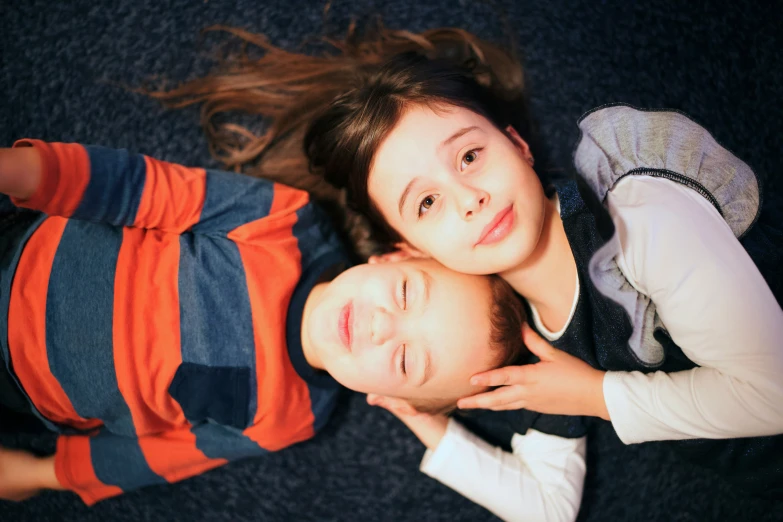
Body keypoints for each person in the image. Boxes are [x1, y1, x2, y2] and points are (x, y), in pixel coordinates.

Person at [162, 25, 783, 496]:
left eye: (468, 157)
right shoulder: (523, 345)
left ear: (514, 143)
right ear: (407, 246)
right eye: (426, 202)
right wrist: (421, 415)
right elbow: (546, 506)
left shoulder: (639, 214)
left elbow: (773, 394)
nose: (469, 199)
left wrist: (597, 395)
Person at [0, 138, 588, 520]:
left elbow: (168, 454)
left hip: (25, 390)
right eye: (407, 294)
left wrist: (43, 473)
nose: (384, 325)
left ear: (388, 399)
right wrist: (31, 171)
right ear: (392, 257)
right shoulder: (283, 220)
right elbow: (145, 190)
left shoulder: (293, 417)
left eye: (408, 361)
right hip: (25, 257)